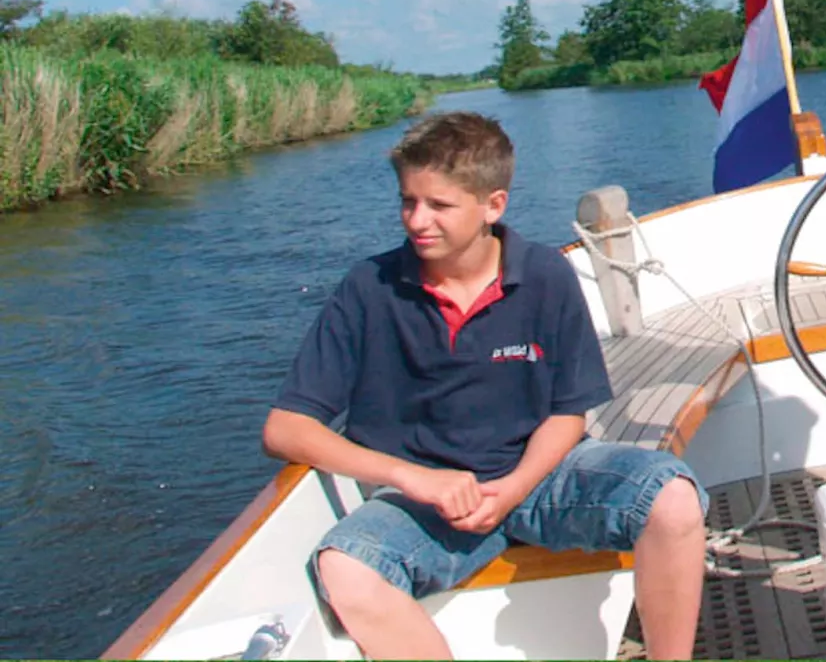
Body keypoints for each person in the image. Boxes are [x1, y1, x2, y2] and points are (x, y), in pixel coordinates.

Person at [262, 111, 706, 660]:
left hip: (539, 478)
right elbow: (286, 429)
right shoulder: (368, 289)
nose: (417, 220)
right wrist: (413, 478)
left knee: (673, 498)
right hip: (422, 503)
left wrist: (516, 486)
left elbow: (567, 414)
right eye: (407, 201)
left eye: (438, 205)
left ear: (493, 205)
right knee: (346, 569)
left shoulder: (546, 277)